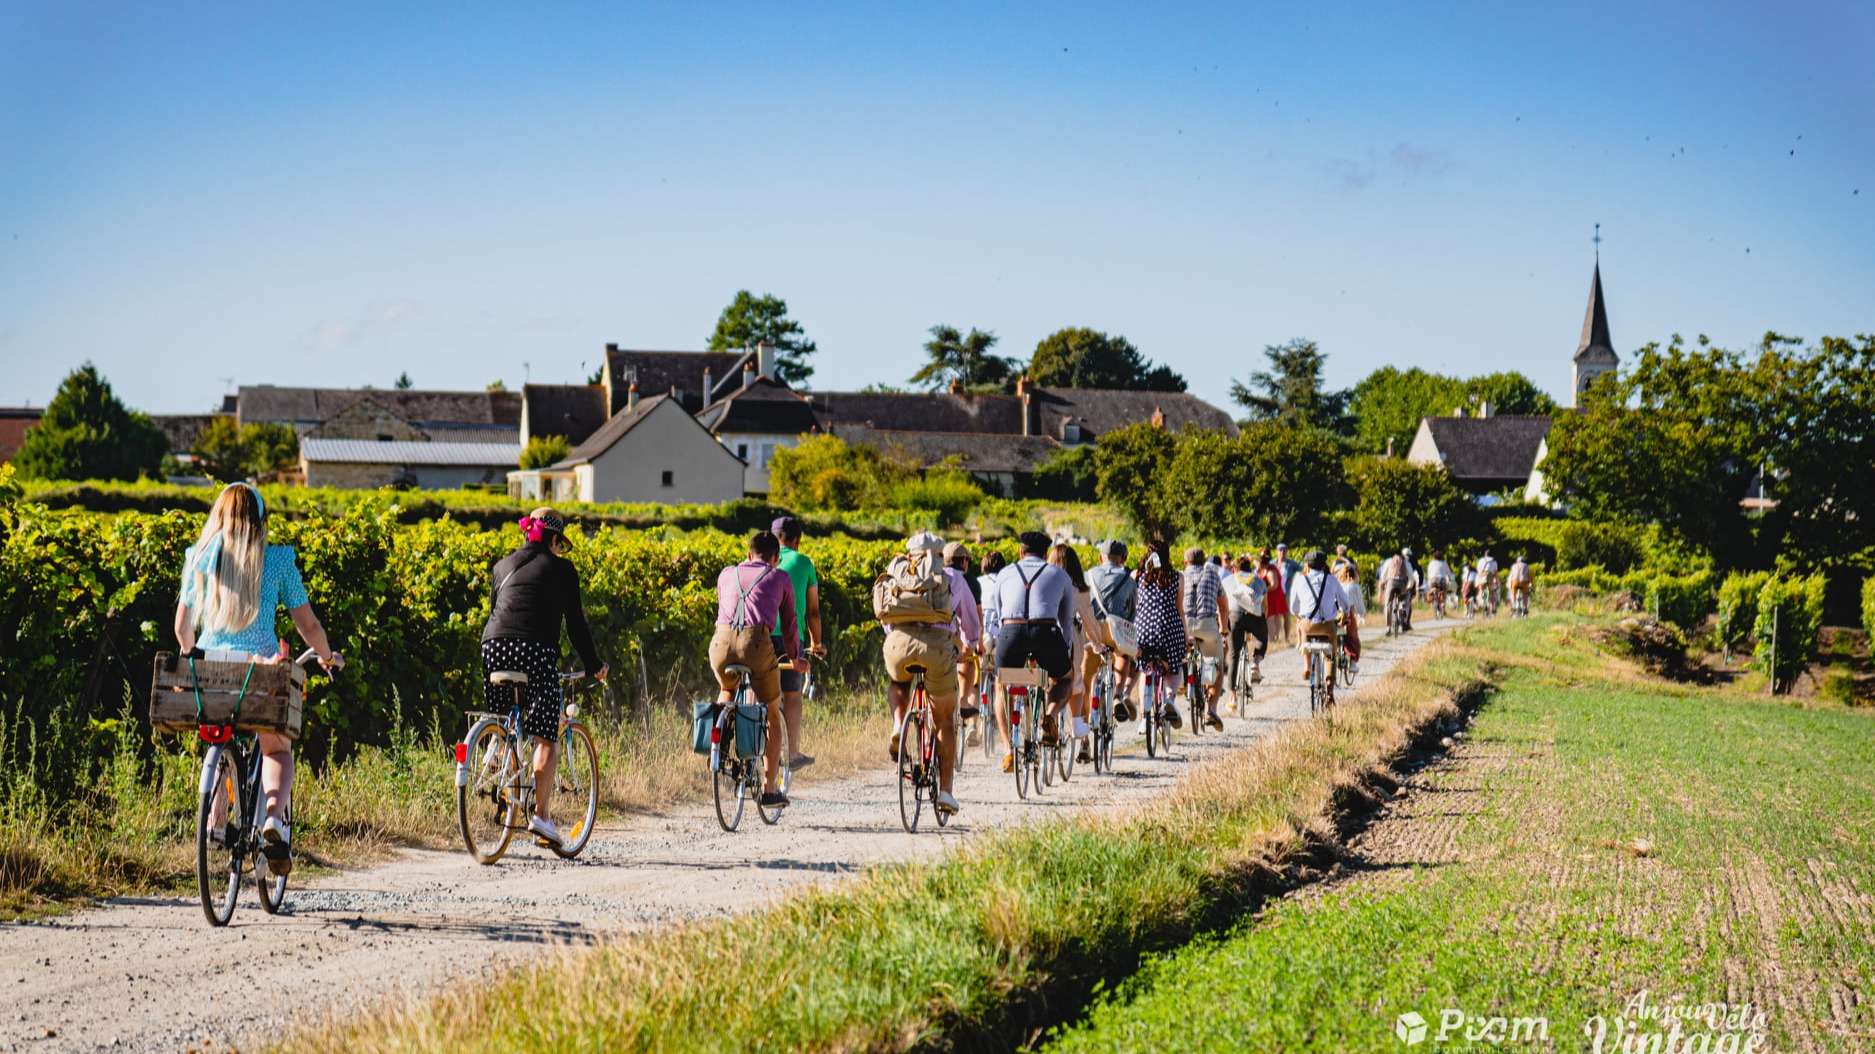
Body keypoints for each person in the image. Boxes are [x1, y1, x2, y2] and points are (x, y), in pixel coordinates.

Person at [174, 482, 343, 874]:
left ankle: (215, 819)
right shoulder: (278, 561)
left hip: (211, 673)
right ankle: (272, 821)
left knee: (220, 731)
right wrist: (326, 656)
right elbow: (308, 624)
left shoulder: (199, 558)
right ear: (261, 522)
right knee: (276, 750)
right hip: (259, 671)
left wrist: (193, 656)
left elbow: (183, 627)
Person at [479, 507, 606, 850]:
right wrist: (593, 663)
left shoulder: (502, 566)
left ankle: (499, 750)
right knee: (546, 736)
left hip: (491, 648)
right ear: (553, 539)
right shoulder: (562, 570)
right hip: (533, 651)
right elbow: (575, 626)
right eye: (559, 544)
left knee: (507, 718)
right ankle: (542, 816)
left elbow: (497, 612)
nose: (560, 551)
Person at [882, 532, 977, 814]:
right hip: (937, 648)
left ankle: (899, 723)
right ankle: (946, 792)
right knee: (945, 721)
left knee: (899, 682)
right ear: (939, 553)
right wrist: (969, 647)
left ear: (910, 553)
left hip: (898, 643)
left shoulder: (897, 570)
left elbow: (886, 615)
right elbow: (970, 623)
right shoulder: (953, 577)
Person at [710, 530, 802, 810]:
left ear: (748, 555)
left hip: (720, 644)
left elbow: (724, 610)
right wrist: (796, 658)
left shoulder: (727, 573)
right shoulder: (780, 577)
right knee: (772, 709)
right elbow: (788, 626)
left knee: (727, 688)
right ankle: (770, 789)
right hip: (757, 643)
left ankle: (718, 744)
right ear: (776, 558)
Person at [992, 531, 1077, 772]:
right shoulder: (1059, 575)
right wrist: (1066, 650)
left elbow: (1000, 615)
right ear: (1045, 554)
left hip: (1011, 632)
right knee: (1064, 678)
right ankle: (1049, 716)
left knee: (1002, 683)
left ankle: (1009, 748)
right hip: (1046, 632)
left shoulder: (1005, 573)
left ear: (1021, 552)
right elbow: (1066, 621)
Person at [773, 517, 824, 770]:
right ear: (797, 540)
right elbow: (812, 612)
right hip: (789, 638)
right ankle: (792, 753)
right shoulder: (804, 562)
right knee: (792, 695)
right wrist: (816, 643)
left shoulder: (759, 559)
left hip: (756, 636)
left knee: (759, 692)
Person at [1051, 544, 1102, 764]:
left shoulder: (1045, 583)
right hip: (1069, 638)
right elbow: (1090, 622)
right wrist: (1098, 643)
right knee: (1076, 682)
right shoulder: (1078, 588)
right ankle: (1080, 731)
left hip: (1043, 634)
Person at [1130, 540, 1187, 731]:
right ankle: (1169, 699)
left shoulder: (1137, 575)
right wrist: (1185, 638)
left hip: (1142, 630)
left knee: (1145, 669)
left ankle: (1145, 716)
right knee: (1174, 665)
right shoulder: (1177, 577)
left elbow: (1134, 606)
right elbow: (1179, 610)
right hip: (1168, 629)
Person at [1290, 549, 1361, 699]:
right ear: (1324, 566)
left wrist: (1300, 616)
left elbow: (1293, 608)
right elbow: (1346, 604)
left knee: (1304, 630)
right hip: (1328, 626)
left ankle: (1307, 665)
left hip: (1308, 626)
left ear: (1307, 565)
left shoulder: (1300, 580)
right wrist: (1344, 615)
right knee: (1330, 656)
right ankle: (1329, 692)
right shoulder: (1332, 580)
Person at [1087, 540, 1138, 721]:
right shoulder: (1129, 580)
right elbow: (1132, 612)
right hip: (1116, 631)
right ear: (1123, 559)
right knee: (1123, 655)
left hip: (1092, 631)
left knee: (1087, 674)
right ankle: (1117, 693)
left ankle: (1085, 721)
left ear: (1100, 557)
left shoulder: (1089, 575)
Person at [1181, 547, 1229, 729]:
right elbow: (1223, 607)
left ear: (1186, 563)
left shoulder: (1179, 576)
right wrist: (1223, 632)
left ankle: (1182, 683)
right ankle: (1212, 709)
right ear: (1204, 562)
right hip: (1207, 625)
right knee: (1216, 664)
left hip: (1184, 624)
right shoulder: (1213, 575)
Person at [1220, 554, 1269, 708]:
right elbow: (1265, 608)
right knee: (1262, 638)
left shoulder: (1227, 581)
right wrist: (1261, 623)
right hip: (1255, 615)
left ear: (1234, 569)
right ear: (1250, 569)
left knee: (1234, 655)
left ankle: (1232, 697)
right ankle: (1255, 662)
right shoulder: (1259, 581)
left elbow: (1222, 605)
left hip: (1234, 617)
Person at [943, 541, 984, 715]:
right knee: (968, 658)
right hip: (959, 630)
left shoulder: (937, 575)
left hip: (936, 631)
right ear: (964, 561)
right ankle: (963, 700)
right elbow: (975, 617)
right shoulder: (970, 582)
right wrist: (977, 645)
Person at [1377, 547, 1420, 632]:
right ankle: (1403, 610)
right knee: (1405, 599)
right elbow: (1411, 577)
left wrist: (1381, 586)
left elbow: (1383, 575)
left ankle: (1388, 627)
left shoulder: (1389, 561)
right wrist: (1409, 586)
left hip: (1391, 583)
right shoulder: (1405, 562)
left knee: (1388, 604)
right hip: (1402, 584)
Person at [1258, 549, 1289, 652]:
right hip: (1271, 596)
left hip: (1273, 596)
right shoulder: (1266, 569)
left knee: (1271, 618)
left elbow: (1274, 585)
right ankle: (1274, 637)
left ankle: (1273, 639)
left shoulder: (1271, 571)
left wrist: (1263, 589)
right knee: (1274, 618)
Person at [1276, 544, 1302, 643]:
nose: (1282, 552)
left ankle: (1286, 638)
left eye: (1284, 550)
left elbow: (1304, 569)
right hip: (1275, 593)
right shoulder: (1273, 563)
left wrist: (1294, 579)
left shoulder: (1290, 564)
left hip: (1286, 592)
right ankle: (1276, 638)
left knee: (1286, 616)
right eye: (1280, 550)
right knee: (1276, 617)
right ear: (1277, 552)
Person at [1424, 548, 1455, 618]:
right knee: (1444, 591)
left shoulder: (1431, 563)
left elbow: (1429, 573)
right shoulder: (1444, 563)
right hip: (1442, 580)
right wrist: (1449, 578)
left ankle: (1434, 598)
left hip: (1433, 580)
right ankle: (1442, 604)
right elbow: (1449, 573)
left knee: (1433, 589)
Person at [1476, 549, 1501, 614]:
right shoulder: (1494, 562)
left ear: (1485, 554)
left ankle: (1482, 602)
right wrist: (1497, 582)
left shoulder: (1481, 560)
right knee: (1492, 592)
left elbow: (1478, 570)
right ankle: (1492, 607)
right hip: (1490, 577)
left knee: (1481, 589)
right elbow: (1495, 573)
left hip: (1481, 577)